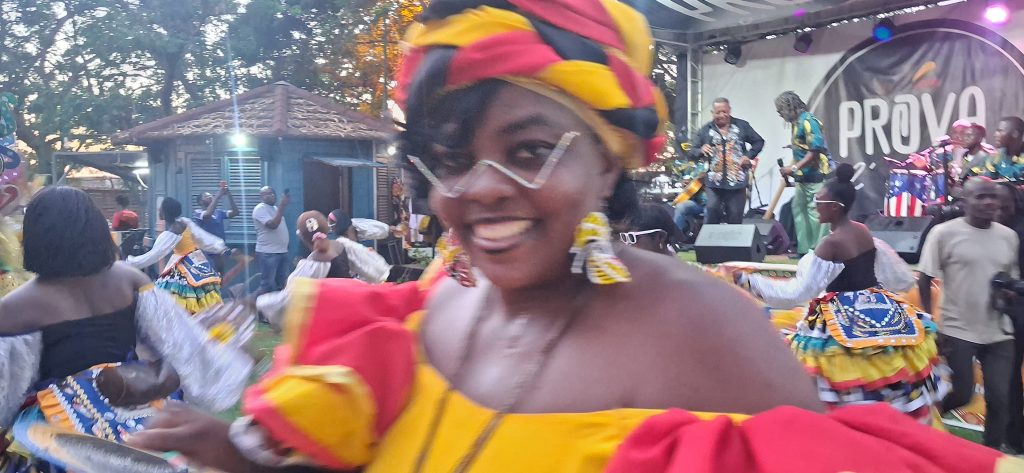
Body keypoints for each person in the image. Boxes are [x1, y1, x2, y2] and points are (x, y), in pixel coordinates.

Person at [127, 2, 1021, 472]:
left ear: (609, 163)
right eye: (449, 159)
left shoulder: (704, 334)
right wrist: (234, 458)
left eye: (526, 151)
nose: (478, 189)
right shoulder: (423, 310)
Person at [0, 187, 251, 472]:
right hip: (139, 414)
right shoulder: (127, 279)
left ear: (35, 238)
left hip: (68, 432)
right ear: (96, 230)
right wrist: (224, 356)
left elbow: (6, 391)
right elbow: (181, 345)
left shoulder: (17, 306)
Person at [727, 164, 946, 423]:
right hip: (879, 308)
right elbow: (892, 273)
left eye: (819, 202)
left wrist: (749, 281)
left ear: (835, 207)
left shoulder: (830, 244)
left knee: (839, 380)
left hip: (843, 320)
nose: (815, 206)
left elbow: (796, 293)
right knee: (879, 375)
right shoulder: (862, 230)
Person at [918, 177, 1020, 449]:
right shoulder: (943, 233)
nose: (989, 202)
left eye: (992, 197)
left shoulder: (1008, 236)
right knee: (962, 394)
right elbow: (924, 279)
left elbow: (1010, 278)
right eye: (981, 197)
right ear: (965, 202)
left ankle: (990, 455)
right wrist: (931, 323)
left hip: (999, 330)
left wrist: (1008, 293)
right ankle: (924, 428)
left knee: (1000, 400)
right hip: (957, 329)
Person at [255, 210, 392, 326]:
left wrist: (258, 302)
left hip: (332, 320)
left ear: (302, 237)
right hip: (353, 308)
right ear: (327, 229)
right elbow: (375, 269)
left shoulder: (314, 262)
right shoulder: (341, 245)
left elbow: (287, 299)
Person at [127, 197, 228, 314]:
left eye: (160, 209)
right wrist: (219, 246)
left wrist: (130, 262)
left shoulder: (173, 231)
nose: (159, 211)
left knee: (180, 297)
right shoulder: (184, 222)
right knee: (203, 295)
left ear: (165, 212)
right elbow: (202, 238)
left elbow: (155, 254)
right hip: (197, 261)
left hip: (184, 265)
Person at [688, 98, 764, 224]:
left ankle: (733, 237)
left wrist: (748, 156)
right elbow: (691, 151)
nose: (722, 115)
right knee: (712, 210)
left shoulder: (742, 126)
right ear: (712, 113)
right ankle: (711, 237)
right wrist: (700, 150)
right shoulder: (706, 130)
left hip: (737, 182)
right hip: (714, 183)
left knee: (735, 217)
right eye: (718, 112)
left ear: (730, 111)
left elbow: (758, 141)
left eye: (725, 112)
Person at [776, 91, 831, 255]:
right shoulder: (796, 123)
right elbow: (805, 147)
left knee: (816, 212)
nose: (780, 114)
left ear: (790, 106)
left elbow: (815, 152)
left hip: (816, 175)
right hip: (803, 177)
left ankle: (819, 250)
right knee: (798, 209)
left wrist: (793, 168)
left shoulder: (809, 122)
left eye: (780, 110)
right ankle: (804, 250)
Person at [995, 182, 1024, 453]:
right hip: (1010, 317)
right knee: (1010, 380)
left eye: (1003, 203)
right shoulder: (997, 233)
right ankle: (1014, 438)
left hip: (1017, 314)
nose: (996, 207)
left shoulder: (1016, 232)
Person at [194, 182, 240, 273]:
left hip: (219, 252)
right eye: (206, 196)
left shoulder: (219, 212)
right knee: (208, 276)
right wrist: (217, 197)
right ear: (200, 202)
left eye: (211, 196)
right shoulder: (198, 212)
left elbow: (235, 212)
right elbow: (207, 215)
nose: (210, 197)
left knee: (220, 275)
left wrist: (229, 195)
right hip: (206, 253)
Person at [253, 186, 290, 296]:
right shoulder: (260, 209)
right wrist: (282, 206)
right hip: (268, 253)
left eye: (272, 193)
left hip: (281, 251)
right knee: (267, 285)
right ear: (261, 197)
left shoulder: (274, 209)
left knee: (282, 284)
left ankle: (277, 306)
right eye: (267, 193)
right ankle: (251, 303)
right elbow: (273, 225)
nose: (272, 195)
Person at [967, 117, 1024, 181]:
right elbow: (987, 174)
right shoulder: (998, 155)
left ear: (1015, 134)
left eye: (1000, 131)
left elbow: (1015, 175)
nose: (995, 135)